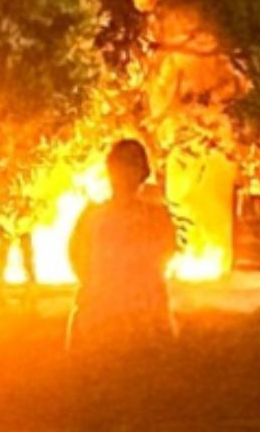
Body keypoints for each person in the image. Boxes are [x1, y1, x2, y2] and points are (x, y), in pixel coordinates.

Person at [66, 139, 177, 356]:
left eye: (132, 164)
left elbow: (165, 252)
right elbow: (77, 256)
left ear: (142, 171)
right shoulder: (92, 216)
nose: (125, 171)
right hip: (99, 317)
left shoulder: (156, 217)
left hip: (144, 319)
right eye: (121, 164)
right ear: (110, 169)